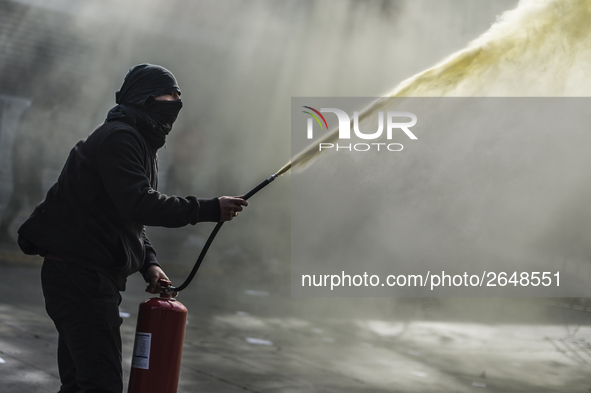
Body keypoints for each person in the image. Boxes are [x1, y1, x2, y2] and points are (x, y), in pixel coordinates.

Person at [17, 64, 248, 393]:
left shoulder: (137, 140)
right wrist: (209, 208)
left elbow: (127, 218)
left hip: (84, 276)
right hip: (79, 277)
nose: (177, 101)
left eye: (179, 95)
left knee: (81, 385)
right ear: (144, 96)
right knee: (101, 385)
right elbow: (138, 203)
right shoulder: (120, 138)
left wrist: (149, 263)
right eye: (169, 93)